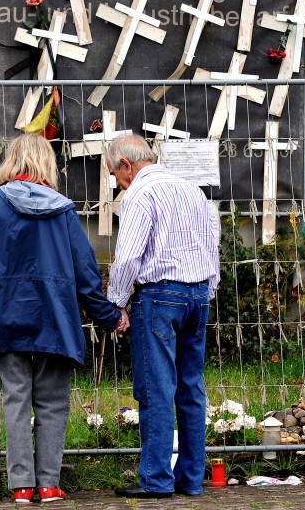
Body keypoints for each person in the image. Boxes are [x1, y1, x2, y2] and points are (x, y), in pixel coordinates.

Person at [0, 133, 128, 504]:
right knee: (53, 403)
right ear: (47, 164)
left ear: (11, 162)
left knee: (15, 399)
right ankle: (49, 485)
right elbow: (86, 275)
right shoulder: (62, 209)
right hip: (54, 320)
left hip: (5, 316)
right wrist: (109, 317)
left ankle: (21, 486)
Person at [105, 134, 220, 499]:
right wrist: (207, 291)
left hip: (158, 296)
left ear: (127, 164)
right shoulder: (192, 190)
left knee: (156, 388)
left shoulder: (140, 193)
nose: (117, 183)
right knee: (191, 387)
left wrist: (117, 302)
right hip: (198, 293)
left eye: (115, 175)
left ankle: (155, 479)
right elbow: (210, 246)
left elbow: (128, 257)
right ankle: (191, 478)